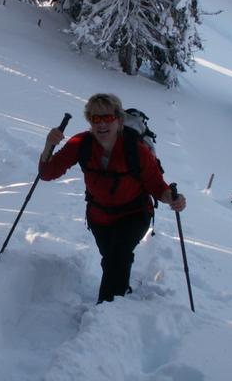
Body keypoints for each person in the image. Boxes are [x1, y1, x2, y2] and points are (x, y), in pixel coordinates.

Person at [39, 93, 186, 304]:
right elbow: (47, 173)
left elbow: (156, 186)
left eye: (107, 118)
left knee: (118, 256)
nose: (101, 124)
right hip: (99, 218)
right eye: (95, 119)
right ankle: (120, 290)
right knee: (112, 260)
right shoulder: (82, 143)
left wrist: (173, 199)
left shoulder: (137, 151)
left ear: (119, 120)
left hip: (134, 214)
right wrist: (48, 145)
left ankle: (106, 313)